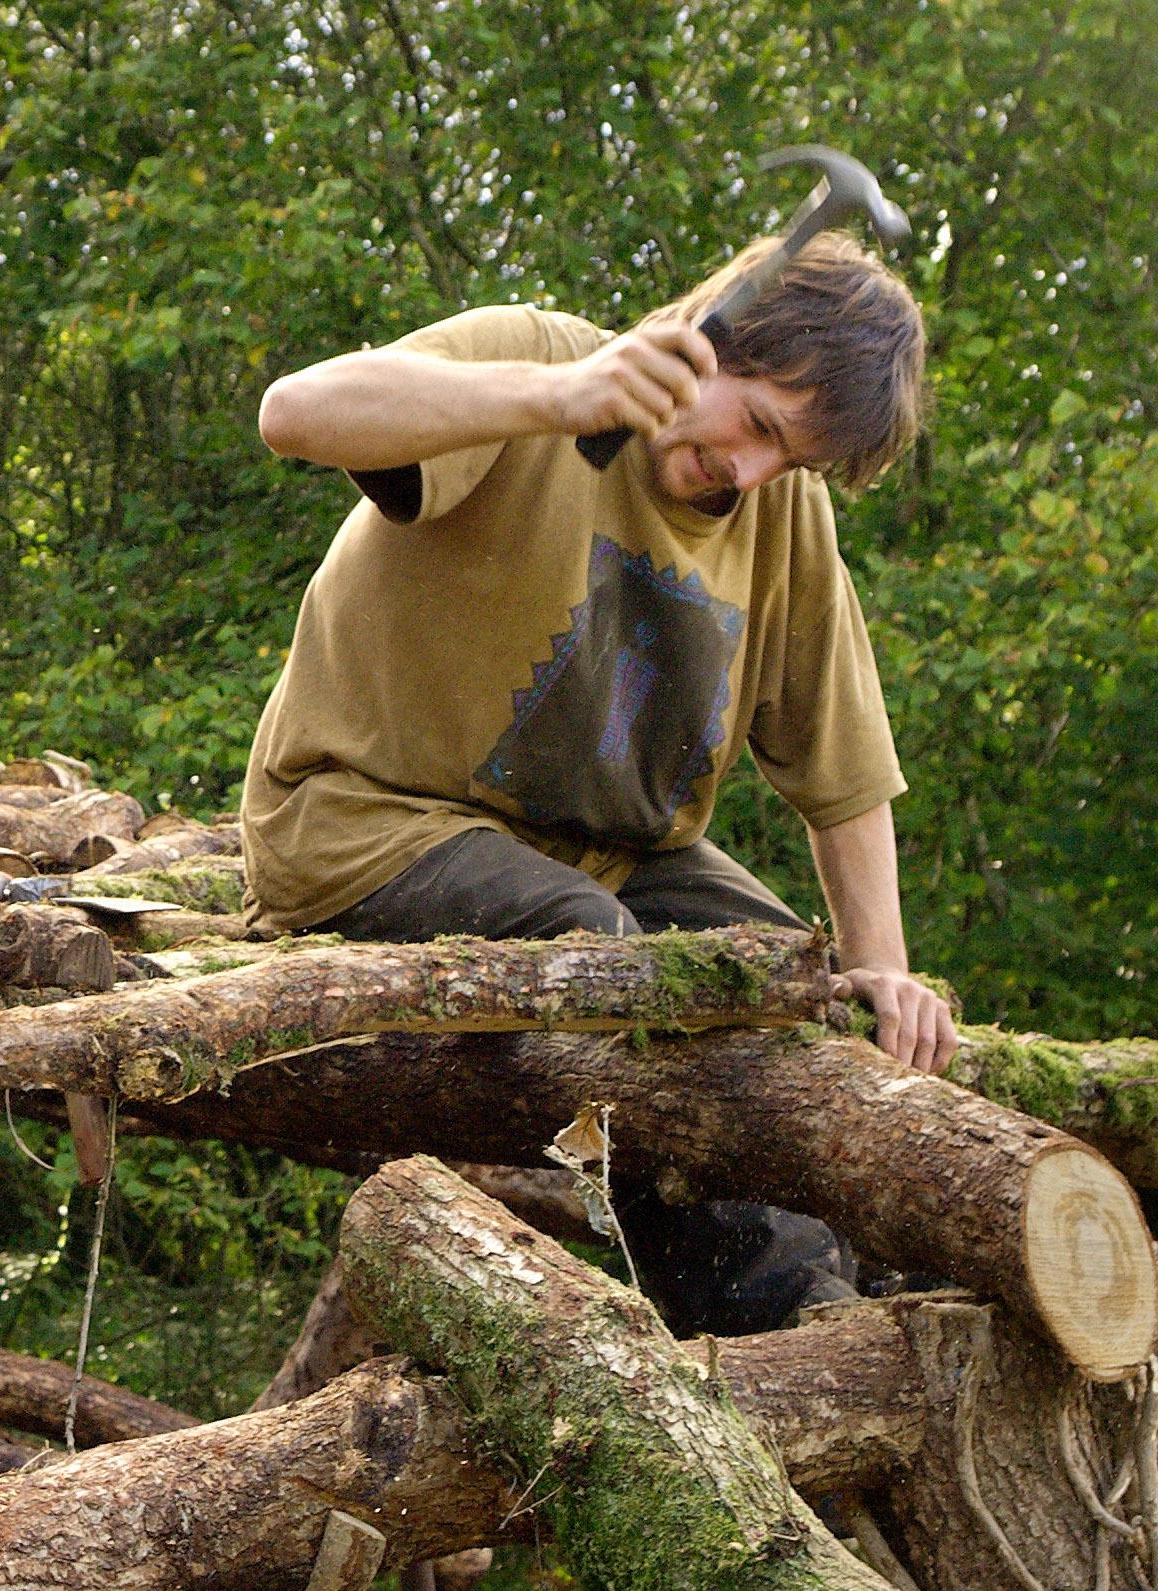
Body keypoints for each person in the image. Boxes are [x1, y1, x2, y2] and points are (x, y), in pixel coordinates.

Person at [242, 232, 954, 1332]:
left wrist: (882, 975)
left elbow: (844, 772)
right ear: (711, 338)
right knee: (614, 969)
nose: (752, 472)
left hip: (611, 852)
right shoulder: (538, 364)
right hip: (364, 826)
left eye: (791, 463)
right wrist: (553, 394)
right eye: (756, 426)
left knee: (791, 988)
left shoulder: (780, 517)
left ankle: (906, 1289)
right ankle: (779, 1335)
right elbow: (294, 411)